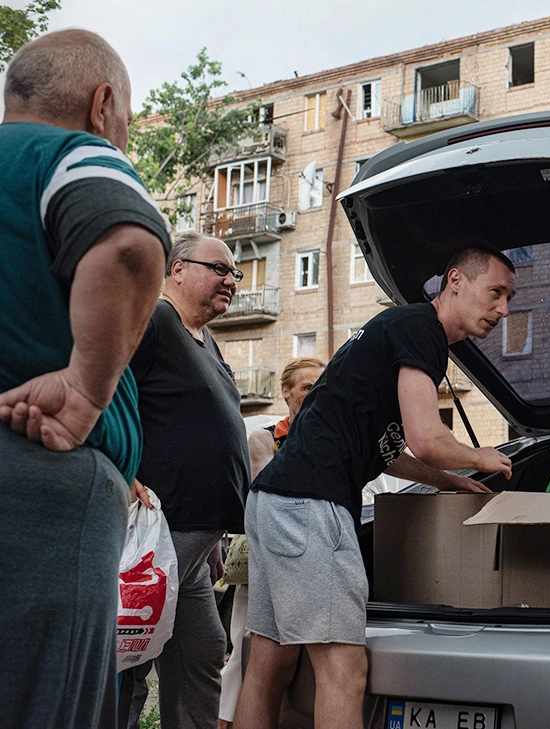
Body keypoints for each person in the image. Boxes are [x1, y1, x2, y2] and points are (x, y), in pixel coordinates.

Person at [236, 246, 514, 729]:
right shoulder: (421, 329)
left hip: (272, 500)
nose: (504, 309)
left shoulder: (397, 330)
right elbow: (428, 438)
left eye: (509, 297)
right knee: (344, 669)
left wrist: (453, 481)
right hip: (310, 505)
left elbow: (391, 452)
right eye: (496, 292)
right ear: (456, 281)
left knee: (270, 661)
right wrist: (478, 457)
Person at [0, 29, 171, 729]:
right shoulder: (68, 152)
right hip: (40, 478)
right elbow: (129, 243)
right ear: (102, 106)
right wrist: (86, 390)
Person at [129, 230, 252, 729]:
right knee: (129, 659)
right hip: (164, 530)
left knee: (201, 655)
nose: (230, 280)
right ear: (177, 268)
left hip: (199, 543)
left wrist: (220, 530)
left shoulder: (207, 339)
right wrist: (123, 471)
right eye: (219, 268)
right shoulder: (155, 319)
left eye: (235, 274)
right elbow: (112, 392)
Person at [219, 357, 326, 729]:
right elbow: (269, 492)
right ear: (286, 392)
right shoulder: (266, 437)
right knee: (241, 649)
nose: (314, 394)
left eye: (320, 386)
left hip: (312, 560)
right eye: (306, 387)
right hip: (262, 560)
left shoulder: (326, 437)